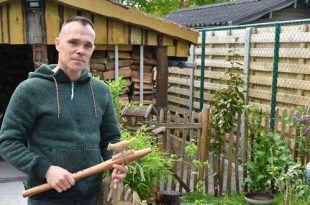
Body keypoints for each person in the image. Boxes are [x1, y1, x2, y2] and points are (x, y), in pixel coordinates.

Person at [0, 16, 127, 205]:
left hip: (91, 196)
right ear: (58, 44)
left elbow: (110, 140)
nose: (80, 50)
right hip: (46, 196)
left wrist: (116, 162)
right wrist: (46, 169)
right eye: (73, 42)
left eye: (87, 45)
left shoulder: (101, 91)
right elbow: (8, 142)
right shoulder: (30, 90)